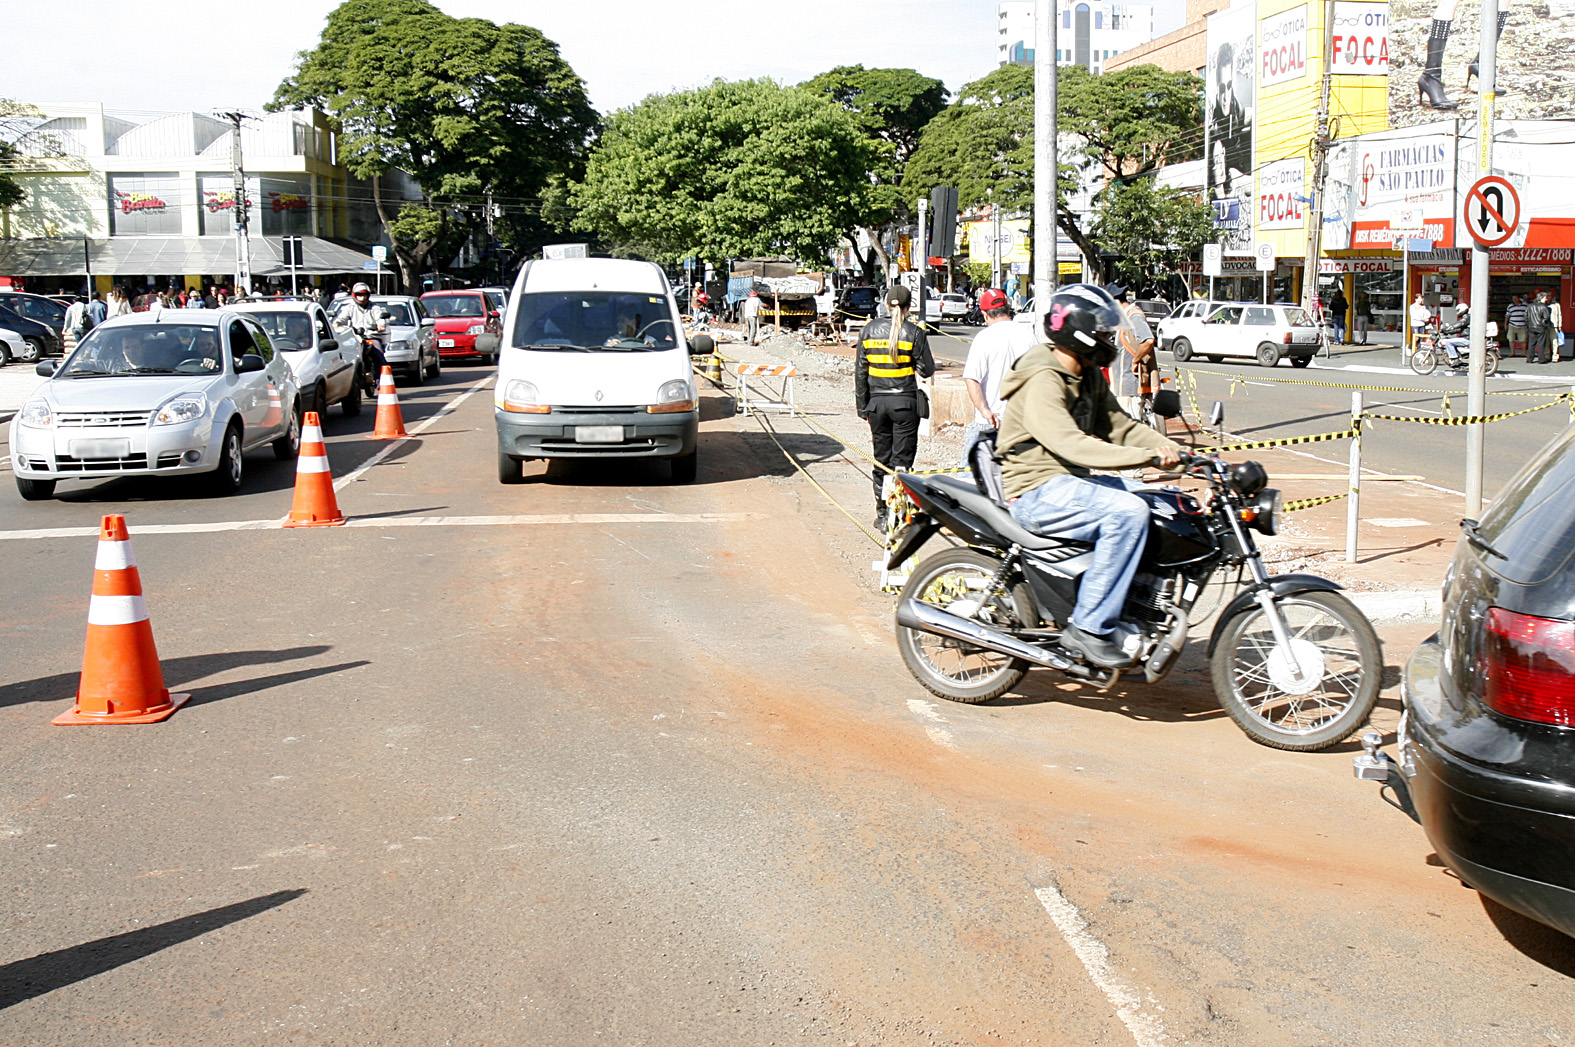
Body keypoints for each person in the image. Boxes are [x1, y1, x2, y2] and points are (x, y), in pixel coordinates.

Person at [997, 284, 1182, 669]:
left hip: (1068, 483)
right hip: (1035, 489)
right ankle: (1088, 626)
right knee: (1127, 513)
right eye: (1101, 331)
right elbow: (1071, 445)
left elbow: (1120, 427)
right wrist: (1147, 457)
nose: (1108, 338)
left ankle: (1136, 609)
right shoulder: (1043, 379)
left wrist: (1177, 453)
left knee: (1161, 503)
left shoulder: (1087, 375)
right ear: (1077, 331)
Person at [855, 284, 934, 530]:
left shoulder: (868, 330)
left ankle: (882, 514)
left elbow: (860, 373)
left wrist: (862, 407)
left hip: (877, 404)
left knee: (882, 460)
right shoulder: (915, 332)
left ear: (887, 304)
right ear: (909, 307)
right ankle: (899, 513)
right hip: (905, 405)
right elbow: (927, 370)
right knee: (902, 461)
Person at [960, 288, 1036, 462]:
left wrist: (985, 410)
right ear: (1007, 309)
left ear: (985, 314)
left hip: (990, 422)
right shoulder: (1029, 336)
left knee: (971, 473)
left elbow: (972, 378)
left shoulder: (984, 338)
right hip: (1021, 423)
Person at [1104, 282, 1156, 420]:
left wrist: (1135, 360)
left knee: (1129, 423)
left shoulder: (1134, 316)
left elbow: (1148, 341)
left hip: (1130, 386)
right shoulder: (1124, 318)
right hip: (1121, 384)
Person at [341, 281, 391, 386]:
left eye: (364, 295)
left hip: (371, 336)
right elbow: (341, 319)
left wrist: (380, 326)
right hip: (355, 338)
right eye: (359, 295)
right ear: (354, 295)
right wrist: (336, 324)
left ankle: (381, 381)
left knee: (378, 355)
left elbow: (380, 319)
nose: (362, 297)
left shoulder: (375, 307)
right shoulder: (349, 307)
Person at [1526, 290, 1553, 364]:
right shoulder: (1543, 306)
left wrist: (1528, 324)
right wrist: (1543, 323)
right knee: (1541, 344)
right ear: (1541, 298)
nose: (1546, 299)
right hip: (1540, 327)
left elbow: (1525, 316)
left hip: (1531, 327)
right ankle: (1541, 359)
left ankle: (1529, 359)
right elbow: (1546, 317)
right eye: (1545, 298)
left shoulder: (1530, 306)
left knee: (1531, 343)